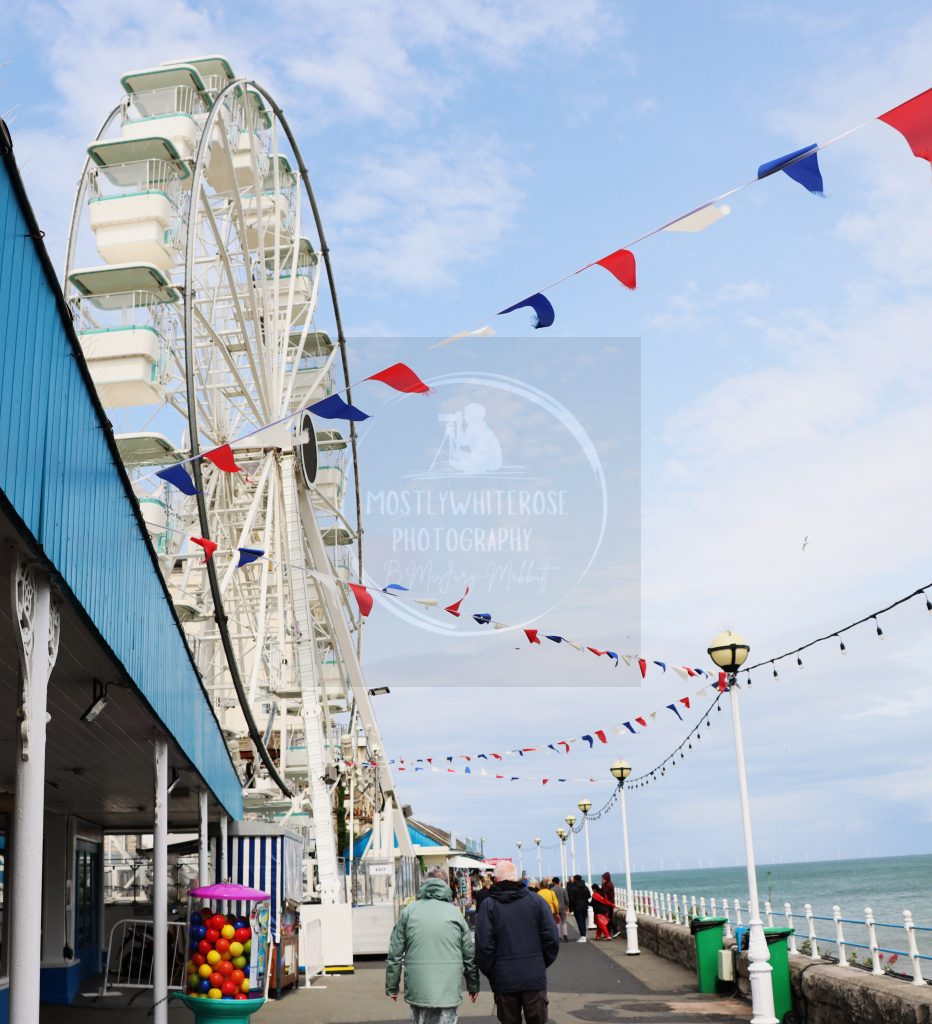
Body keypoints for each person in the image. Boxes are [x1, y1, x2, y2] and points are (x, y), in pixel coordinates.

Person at [386, 867, 480, 1024]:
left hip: (418, 987)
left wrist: (392, 986)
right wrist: (473, 985)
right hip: (448, 987)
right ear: (445, 885)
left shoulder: (409, 912)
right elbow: (469, 954)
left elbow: (395, 952)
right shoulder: (455, 913)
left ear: (424, 884)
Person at [475, 860, 559, 1024]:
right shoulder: (536, 902)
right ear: (517, 878)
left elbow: (484, 946)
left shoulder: (488, 906)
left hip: (504, 978)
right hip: (533, 976)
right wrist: (540, 962)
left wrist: (493, 971)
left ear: (496, 880)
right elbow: (551, 939)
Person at [568, 873, 590, 943]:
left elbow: (571, 899)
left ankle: (583, 936)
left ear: (575, 880)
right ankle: (583, 935)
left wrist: (570, 908)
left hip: (577, 906)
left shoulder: (574, 888)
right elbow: (589, 895)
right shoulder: (585, 887)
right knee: (583, 921)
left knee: (580, 922)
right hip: (584, 906)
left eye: (574, 879)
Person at [551, 876, 569, 942]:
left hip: (555, 908)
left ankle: (558, 936)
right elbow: (567, 899)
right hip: (563, 907)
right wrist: (567, 906)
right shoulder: (563, 889)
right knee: (564, 921)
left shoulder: (552, 890)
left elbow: (552, 900)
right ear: (559, 882)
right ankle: (565, 935)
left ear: (553, 882)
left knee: (557, 922)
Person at [600, 871, 617, 937]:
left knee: (609, 918)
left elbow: (603, 892)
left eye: (603, 878)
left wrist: (602, 884)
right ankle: (608, 933)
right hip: (608, 903)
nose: (602, 880)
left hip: (609, 903)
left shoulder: (608, 885)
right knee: (608, 918)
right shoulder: (607, 884)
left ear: (606, 878)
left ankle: (615, 931)